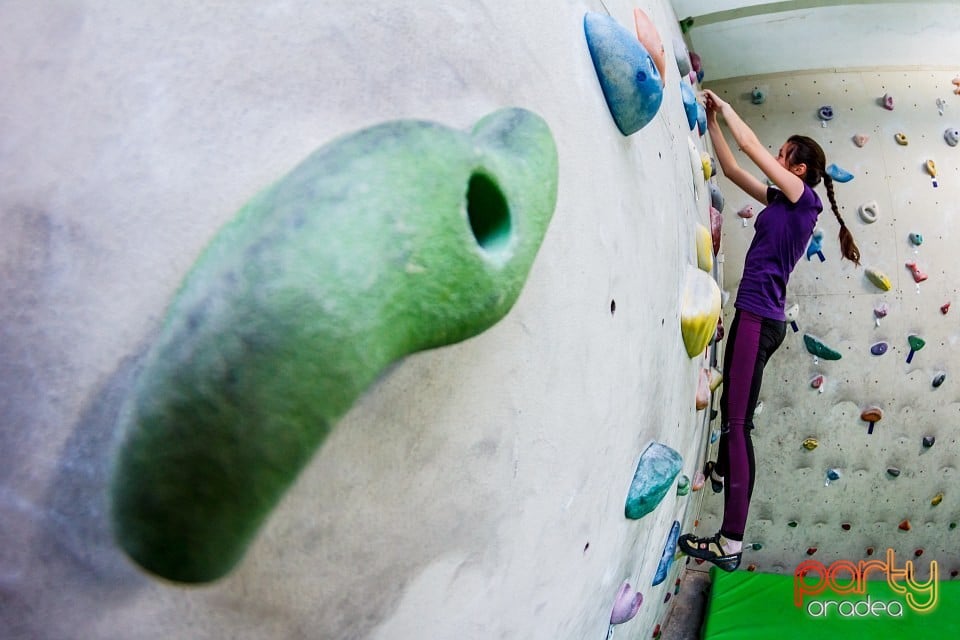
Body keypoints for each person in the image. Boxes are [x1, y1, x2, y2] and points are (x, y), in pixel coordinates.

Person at [678, 89, 861, 571]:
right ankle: (721, 472)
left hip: (760, 318)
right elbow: (737, 170)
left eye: (783, 157)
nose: (773, 160)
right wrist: (711, 123)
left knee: (739, 425)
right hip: (758, 315)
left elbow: (752, 149)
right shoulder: (783, 200)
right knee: (736, 419)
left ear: (798, 169)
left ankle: (730, 542)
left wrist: (729, 108)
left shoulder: (804, 201)